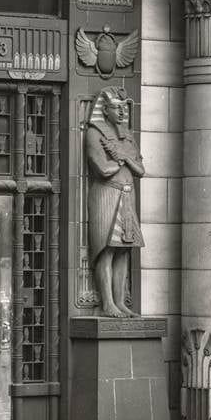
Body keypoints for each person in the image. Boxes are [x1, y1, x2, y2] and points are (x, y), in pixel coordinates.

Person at [86, 87, 145, 317]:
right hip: (107, 194)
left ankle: (120, 302)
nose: (121, 112)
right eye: (116, 108)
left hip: (127, 193)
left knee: (124, 251)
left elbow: (140, 169)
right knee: (107, 249)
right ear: (105, 109)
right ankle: (107, 303)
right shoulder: (95, 132)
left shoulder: (127, 137)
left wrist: (124, 156)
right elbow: (102, 168)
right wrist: (121, 161)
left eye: (124, 107)